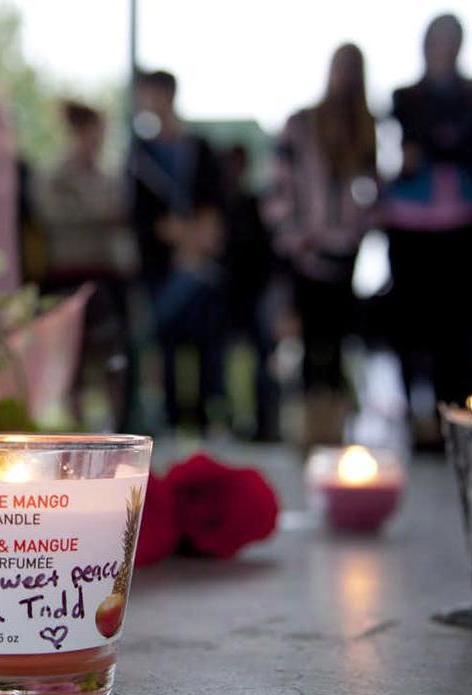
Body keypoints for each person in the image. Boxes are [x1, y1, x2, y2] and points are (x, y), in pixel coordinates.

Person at [386, 14, 472, 418]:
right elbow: (406, 152)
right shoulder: (406, 97)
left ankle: (454, 414)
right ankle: (417, 415)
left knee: (459, 329)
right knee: (414, 325)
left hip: (463, 229)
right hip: (411, 228)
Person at [264, 43, 377, 445]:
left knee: (337, 344)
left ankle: (334, 432)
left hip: (345, 255)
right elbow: (277, 187)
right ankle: (308, 434)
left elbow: (372, 192)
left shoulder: (365, 129)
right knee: (308, 345)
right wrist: (294, 237)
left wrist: (359, 230)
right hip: (304, 253)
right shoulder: (302, 124)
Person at [126, 69, 226, 431]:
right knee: (164, 341)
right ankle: (169, 416)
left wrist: (199, 239)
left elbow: (214, 202)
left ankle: (204, 414)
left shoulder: (197, 148)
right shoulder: (142, 155)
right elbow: (141, 216)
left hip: (199, 262)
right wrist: (180, 237)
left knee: (204, 340)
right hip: (163, 263)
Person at [35, 101, 133, 429]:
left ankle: (112, 425)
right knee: (73, 357)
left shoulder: (106, 178)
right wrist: (99, 215)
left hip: (105, 276)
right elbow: (52, 215)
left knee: (110, 353)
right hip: (69, 274)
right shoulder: (56, 175)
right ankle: (75, 425)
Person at [222, 145, 281, 441]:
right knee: (232, 362)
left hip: (256, 291)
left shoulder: (254, 204)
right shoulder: (222, 206)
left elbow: (268, 250)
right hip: (230, 295)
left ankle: (266, 421)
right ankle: (232, 418)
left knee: (263, 359)